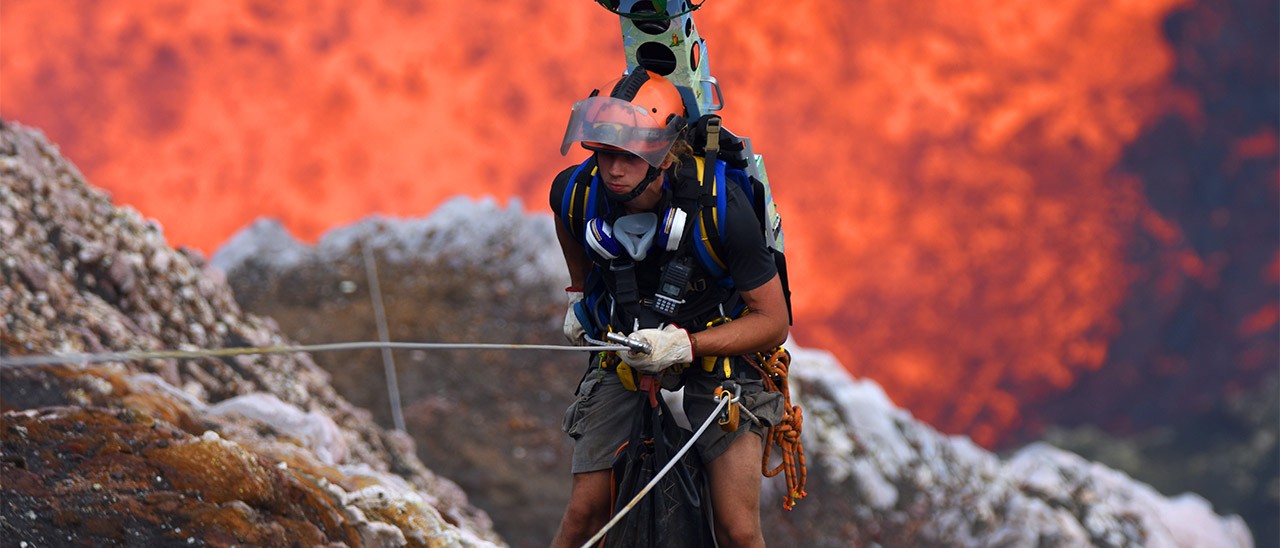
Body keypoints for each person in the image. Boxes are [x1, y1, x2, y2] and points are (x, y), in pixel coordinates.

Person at [548, 68, 790, 548]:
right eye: (605, 154)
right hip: (625, 351)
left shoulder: (723, 208)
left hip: (721, 358)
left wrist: (687, 344)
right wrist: (578, 294)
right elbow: (566, 220)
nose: (613, 170)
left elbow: (773, 322)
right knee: (583, 514)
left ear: (662, 153)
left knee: (738, 530)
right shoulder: (576, 192)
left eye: (629, 156)